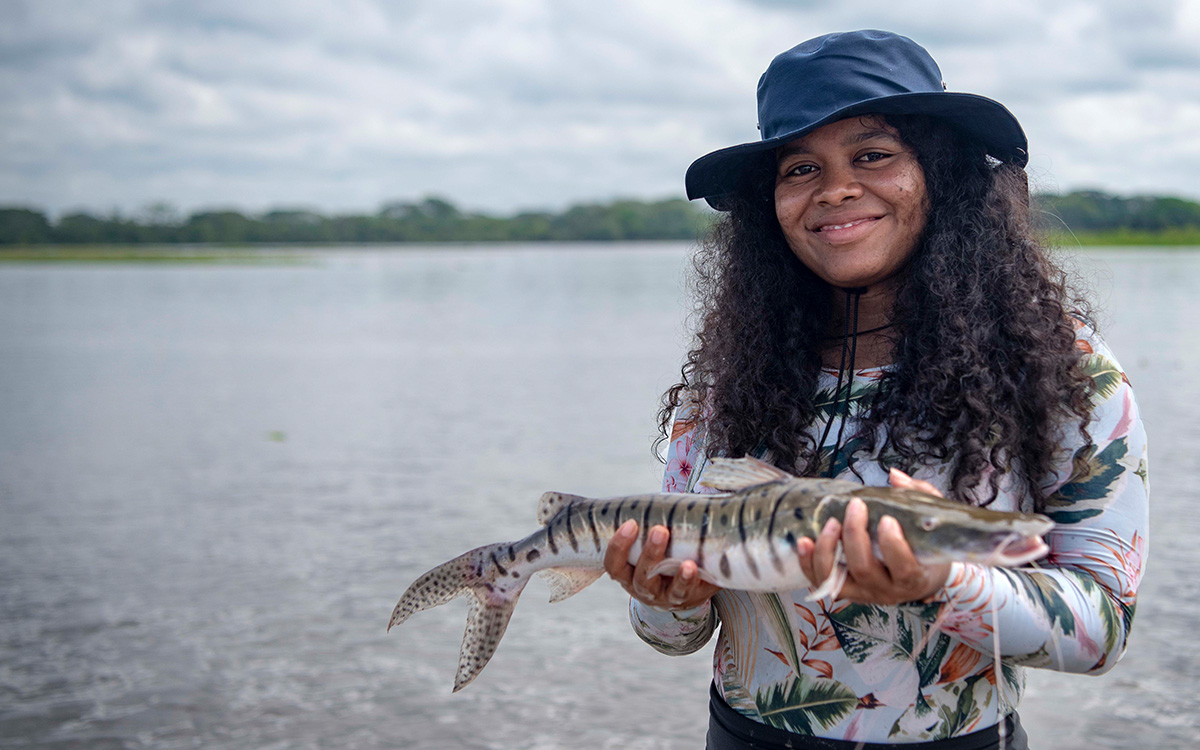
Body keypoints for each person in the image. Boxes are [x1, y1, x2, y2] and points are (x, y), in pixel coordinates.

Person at [603, 30, 1148, 749]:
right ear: (771, 203)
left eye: (872, 155)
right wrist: (659, 601)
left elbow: (1101, 631)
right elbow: (676, 635)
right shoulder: (729, 372)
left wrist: (944, 580)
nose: (835, 189)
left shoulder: (1064, 366)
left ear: (941, 171)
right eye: (800, 168)